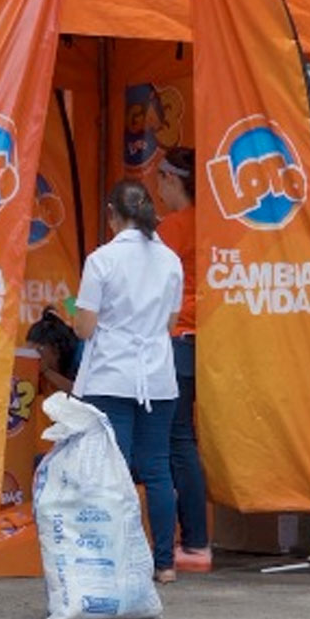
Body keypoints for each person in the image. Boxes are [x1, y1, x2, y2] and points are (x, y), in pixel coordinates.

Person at [70, 180, 183, 583]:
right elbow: (170, 323)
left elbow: (84, 328)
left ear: (112, 215)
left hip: (110, 377)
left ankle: (118, 559)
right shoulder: (170, 260)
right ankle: (165, 563)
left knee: (111, 472)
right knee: (157, 471)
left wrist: (72, 313)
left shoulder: (101, 260)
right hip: (157, 377)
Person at [155, 146, 210, 574]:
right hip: (205, 338)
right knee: (183, 440)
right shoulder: (212, 226)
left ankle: (193, 542)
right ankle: (193, 540)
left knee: (177, 442)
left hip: (176, 339)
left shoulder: (171, 228)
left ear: (173, 181)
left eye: (160, 180)